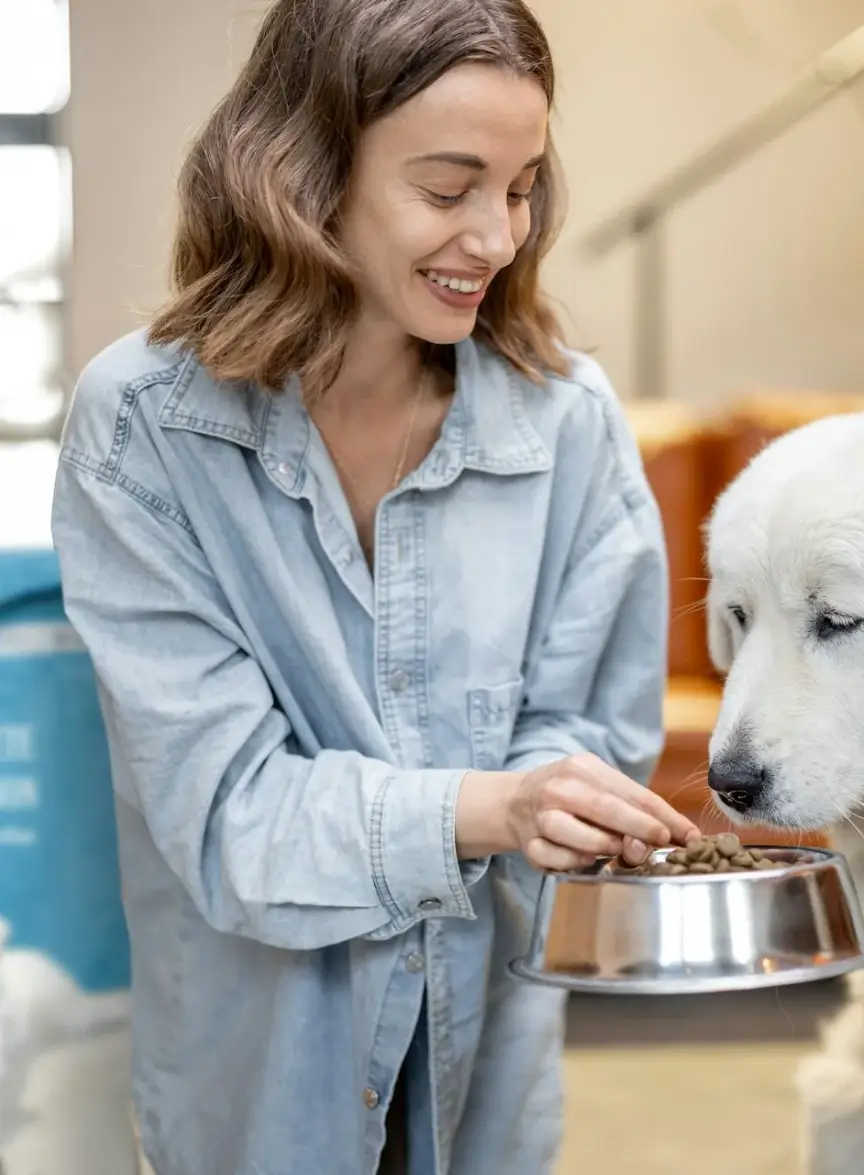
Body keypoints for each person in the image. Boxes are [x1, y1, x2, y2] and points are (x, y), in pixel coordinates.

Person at [50, 2, 700, 1173]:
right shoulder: (146, 430)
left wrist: (556, 798)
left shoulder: (569, 423)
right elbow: (226, 812)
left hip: (485, 1073)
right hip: (253, 1089)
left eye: (522, 186)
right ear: (304, 174)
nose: (498, 237)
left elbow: (587, 730)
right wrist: (491, 807)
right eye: (450, 190)